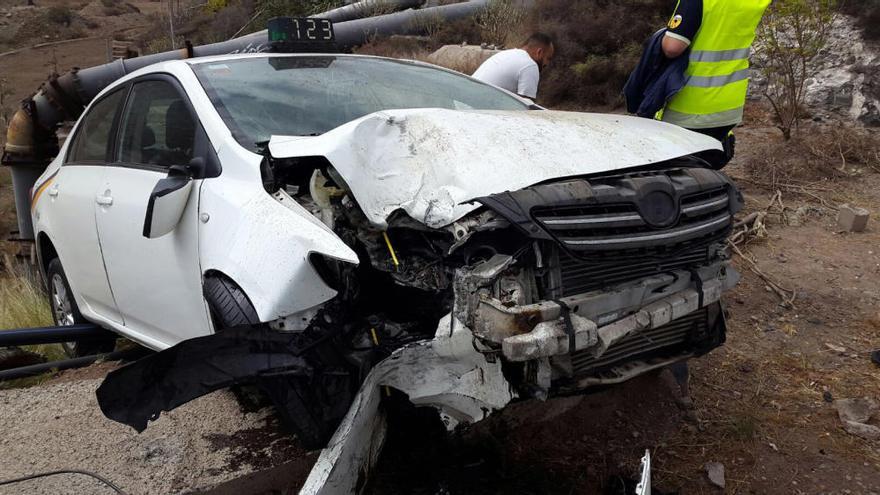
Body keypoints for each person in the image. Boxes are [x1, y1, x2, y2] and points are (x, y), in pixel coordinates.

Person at [659, 0, 771, 168]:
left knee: (682, 174)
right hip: (729, 104)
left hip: (691, 105)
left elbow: (672, 47)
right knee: (707, 169)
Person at [472, 33, 555, 101]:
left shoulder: (505, 54)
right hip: (481, 109)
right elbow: (526, 108)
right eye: (548, 58)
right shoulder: (530, 65)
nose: (547, 63)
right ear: (539, 52)